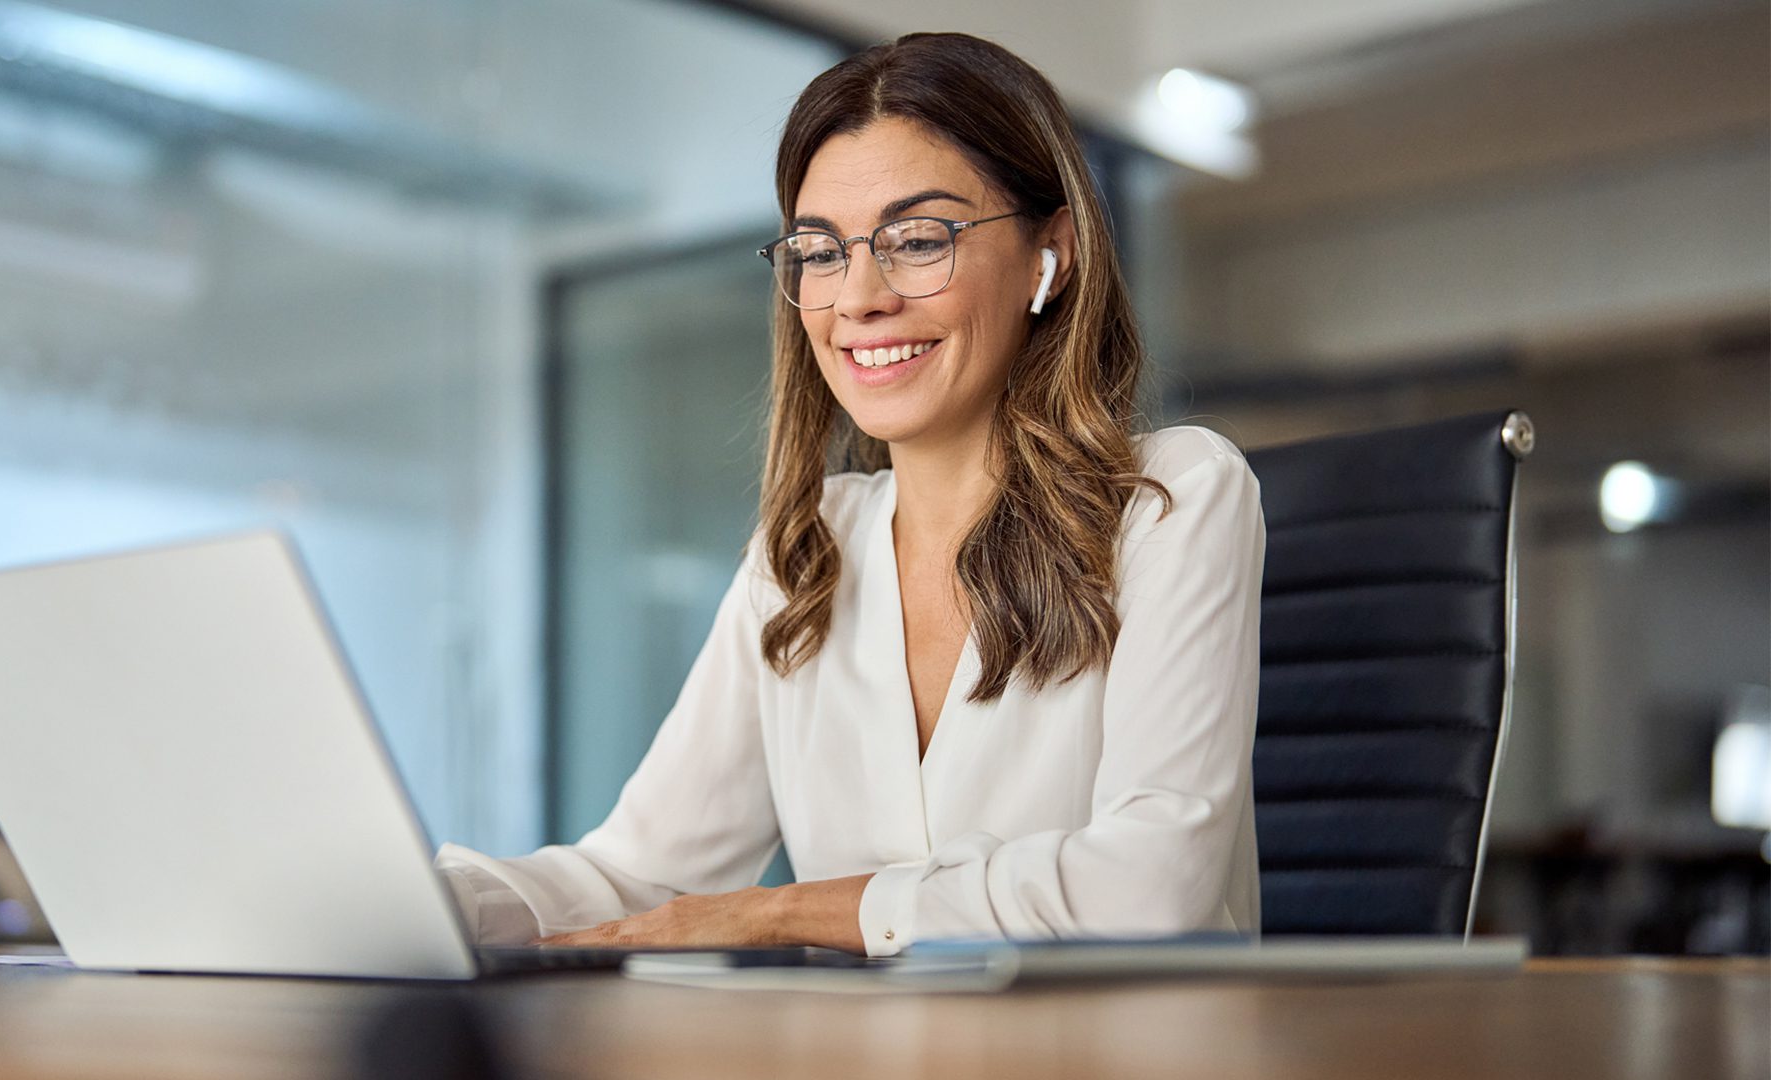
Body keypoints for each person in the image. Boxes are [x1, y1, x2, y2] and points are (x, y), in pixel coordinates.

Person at [436, 31, 1264, 958]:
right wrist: (416, 900)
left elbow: (1150, 890)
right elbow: (640, 873)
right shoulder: (805, 552)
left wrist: (778, 910)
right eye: (821, 252)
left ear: (1051, 256)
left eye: (918, 240)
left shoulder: (1173, 496)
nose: (858, 297)